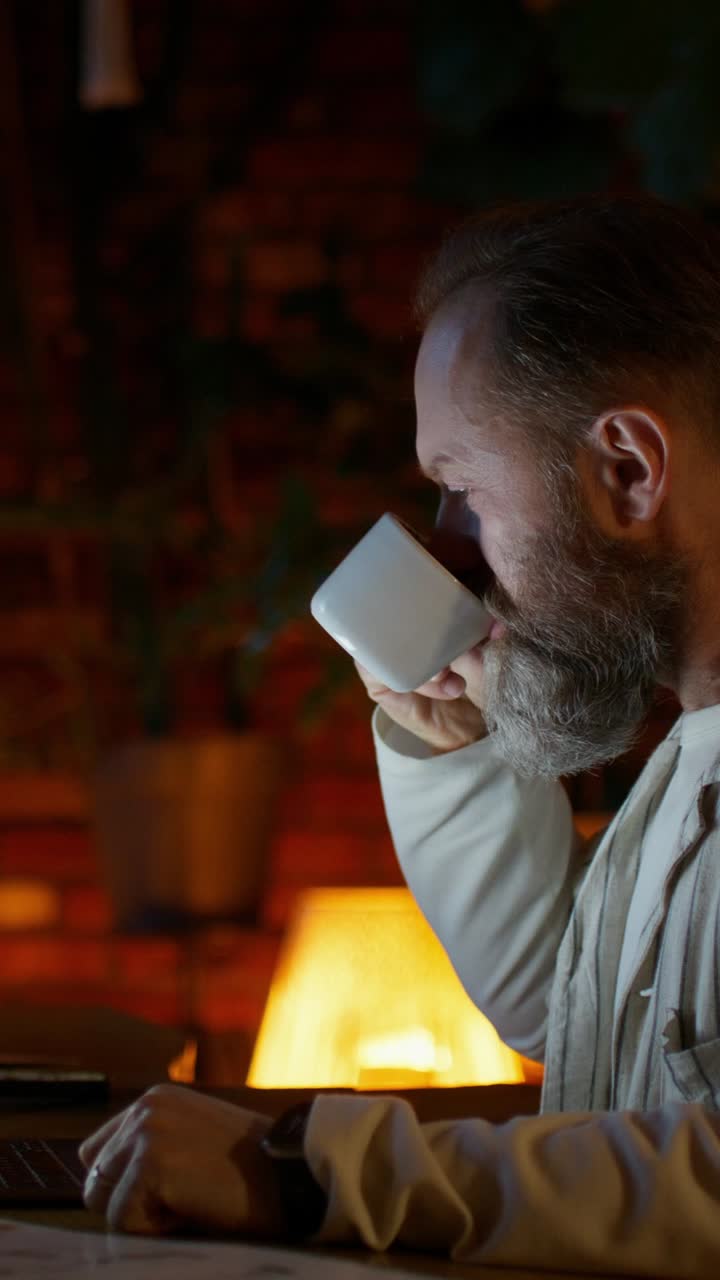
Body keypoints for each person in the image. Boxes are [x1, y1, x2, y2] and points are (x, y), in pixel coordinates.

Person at [80, 195, 720, 1275]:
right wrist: (455, 746)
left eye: (460, 489)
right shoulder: (687, 752)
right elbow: (568, 1021)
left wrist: (313, 1170)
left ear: (627, 469)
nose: (449, 549)